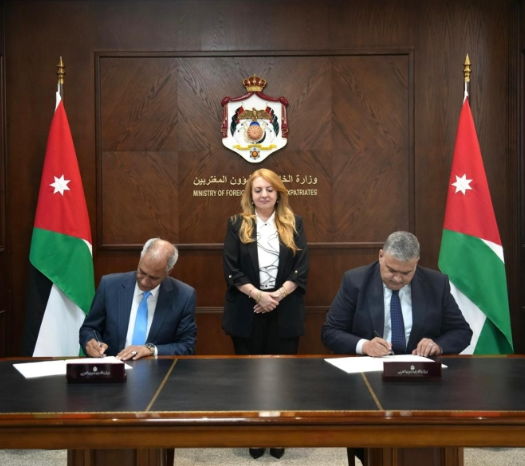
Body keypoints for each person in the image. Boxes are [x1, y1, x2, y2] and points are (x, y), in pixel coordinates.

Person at [321, 231, 472, 466]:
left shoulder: (436, 283)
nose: (398, 279)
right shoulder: (355, 281)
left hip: (420, 377)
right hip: (371, 377)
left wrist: (437, 345)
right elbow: (330, 331)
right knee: (375, 439)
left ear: (417, 263)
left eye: (406, 273)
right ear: (381, 256)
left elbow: (462, 331)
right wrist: (365, 346)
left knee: (432, 437)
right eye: (392, 270)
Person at [223, 168, 309, 460]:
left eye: (269, 190)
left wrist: (275, 297)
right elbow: (231, 269)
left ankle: (279, 434)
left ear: (278, 194)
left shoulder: (294, 223)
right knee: (251, 377)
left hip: (285, 310)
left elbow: (301, 269)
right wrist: (259, 296)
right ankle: (255, 434)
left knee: (281, 377)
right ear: (250, 194)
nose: (264, 195)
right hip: (247, 310)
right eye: (258, 190)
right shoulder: (237, 224)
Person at [80, 238, 197, 360]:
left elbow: (187, 346)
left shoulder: (183, 296)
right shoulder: (109, 286)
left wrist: (150, 349)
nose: (145, 282)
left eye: (154, 278)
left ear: (169, 272)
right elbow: (89, 328)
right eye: (142, 272)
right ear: (140, 258)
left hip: (157, 370)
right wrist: (92, 343)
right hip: (113, 367)